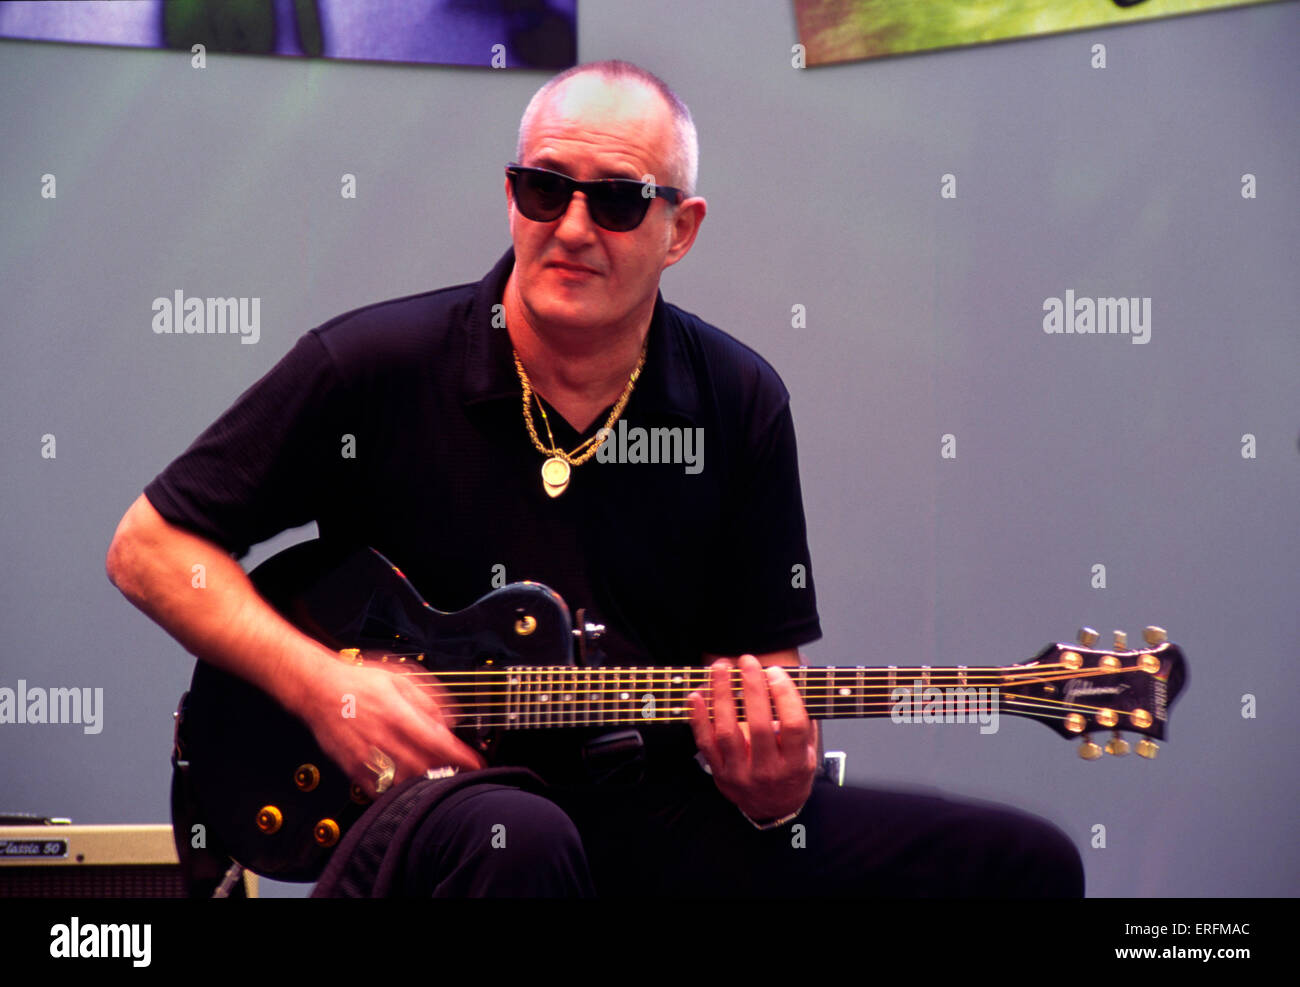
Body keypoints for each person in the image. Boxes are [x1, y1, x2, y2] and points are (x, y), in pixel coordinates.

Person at [106, 59, 1084, 897]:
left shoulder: (738, 400)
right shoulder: (373, 365)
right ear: (511, 197)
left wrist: (772, 779)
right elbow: (149, 548)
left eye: (614, 200)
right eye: (544, 189)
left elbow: (764, 674)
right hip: (423, 816)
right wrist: (324, 685)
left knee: (1017, 865)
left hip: (650, 807)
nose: (571, 226)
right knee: (524, 841)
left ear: (681, 228)